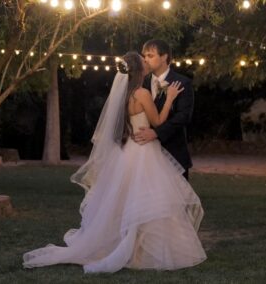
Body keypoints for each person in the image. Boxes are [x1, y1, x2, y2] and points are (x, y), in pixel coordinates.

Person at [22, 51, 206, 273]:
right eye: (143, 60)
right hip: (145, 152)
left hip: (128, 151)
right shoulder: (142, 93)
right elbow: (157, 121)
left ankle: (132, 246)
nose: (147, 62)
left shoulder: (124, 96)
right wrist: (169, 99)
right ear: (140, 70)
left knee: (127, 200)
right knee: (147, 201)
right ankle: (139, 250)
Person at [134, 39, 194, 181]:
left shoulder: (182, 82)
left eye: (150, 55)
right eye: (144, 56)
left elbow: (183, 116)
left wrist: (156, 133)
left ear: (164, 57)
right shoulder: (141, 83)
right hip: (144, 153)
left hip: (173, 151)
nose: (145, 60)